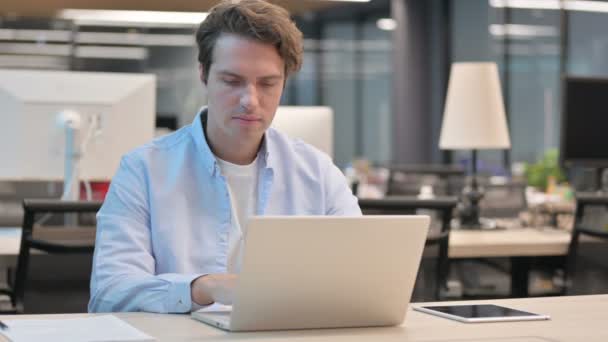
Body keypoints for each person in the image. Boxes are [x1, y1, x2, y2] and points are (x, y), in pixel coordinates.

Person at [88, 0, 361, 314]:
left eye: (268, 84)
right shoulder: (143, 170)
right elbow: (110, 294)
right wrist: (202, 288)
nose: (250, 100)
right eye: (232, 81)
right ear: (203, 74)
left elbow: (357, 277)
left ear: (284, 82)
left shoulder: (317, 171)